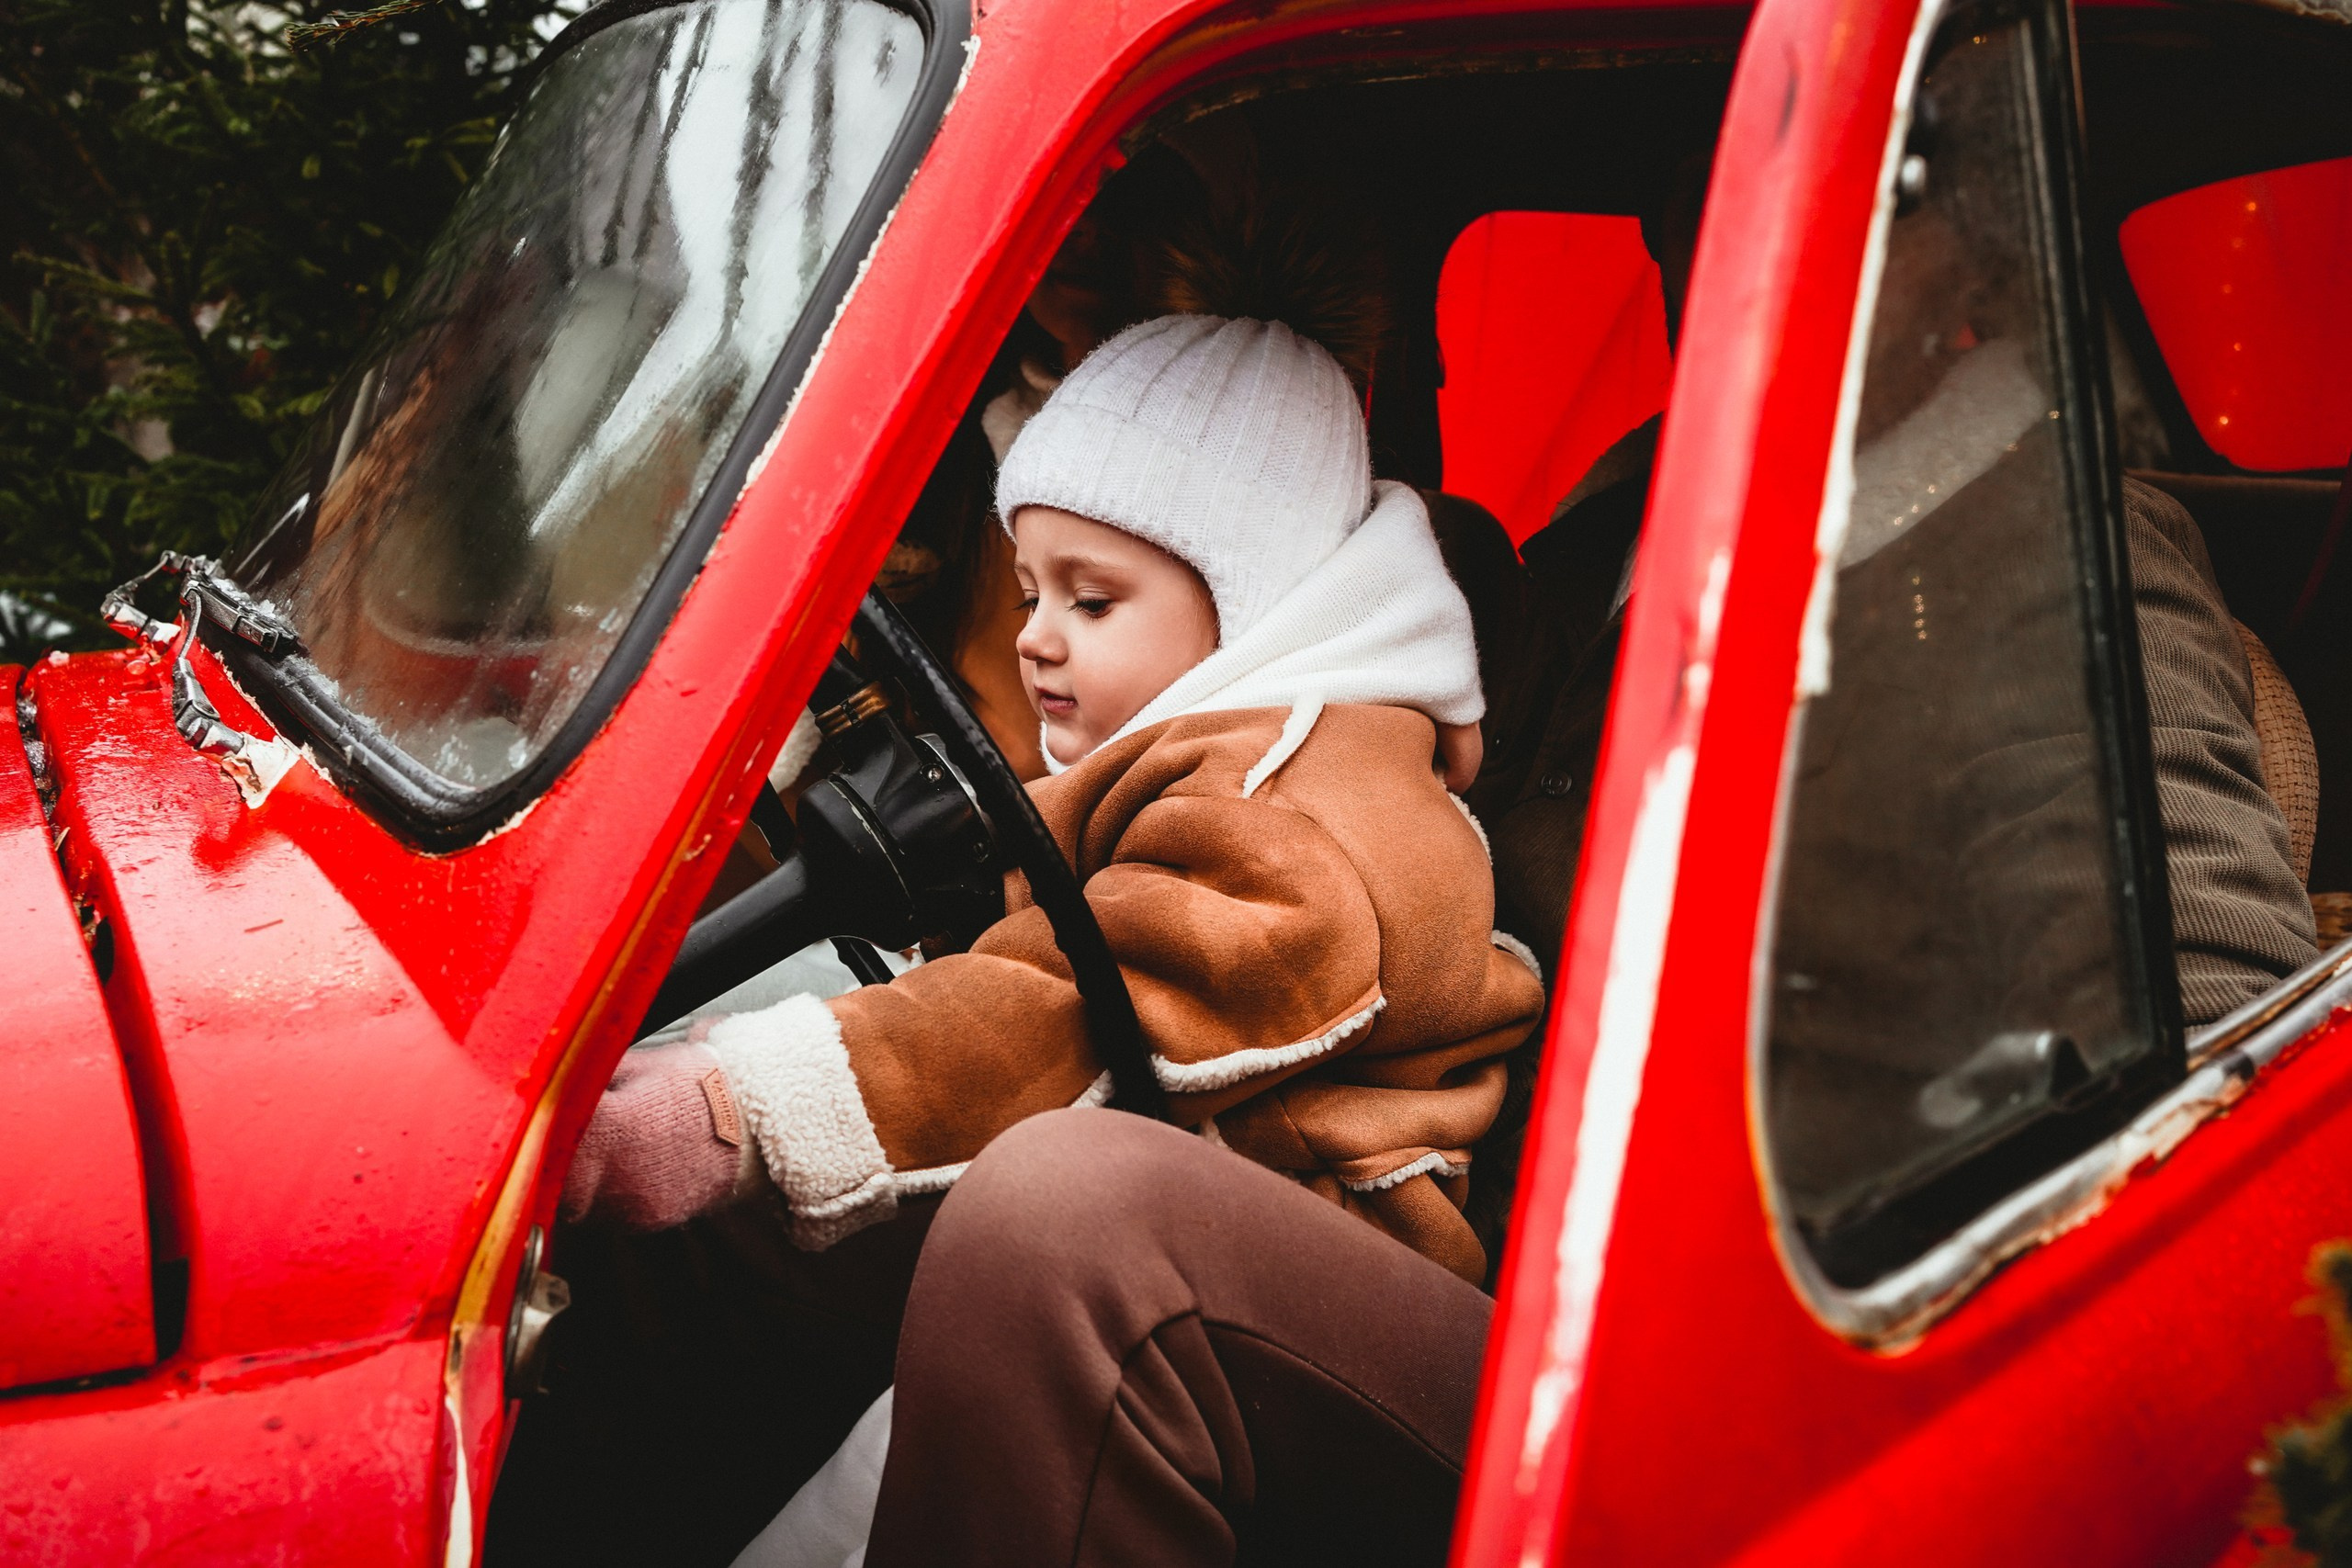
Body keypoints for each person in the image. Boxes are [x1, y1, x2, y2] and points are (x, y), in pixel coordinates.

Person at [563, 310, 1548, 1286]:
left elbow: (1078, 1009)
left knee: (817, 1250)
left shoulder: (1295, 807)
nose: (1034, 635)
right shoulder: (1209, 757)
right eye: (1031, 593)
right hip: (1189, 1202)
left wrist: (731, 1109)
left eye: (1091, 601)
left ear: (1252, 607)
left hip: (1312, 1271)